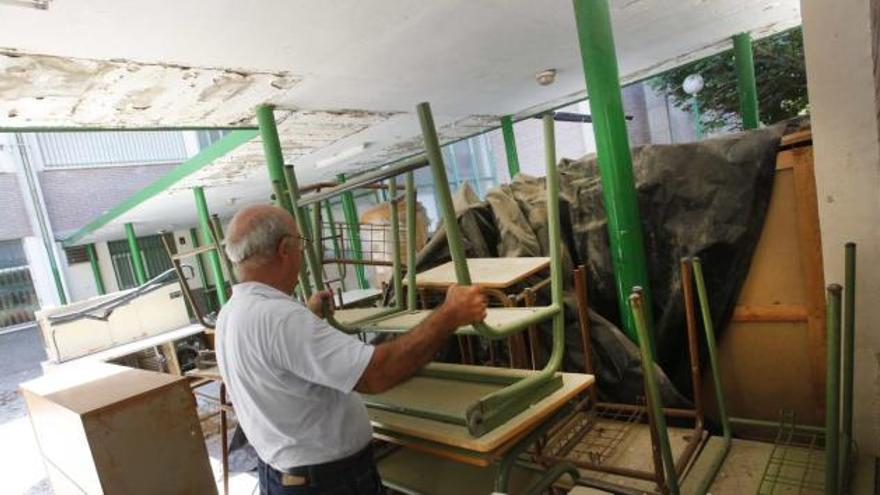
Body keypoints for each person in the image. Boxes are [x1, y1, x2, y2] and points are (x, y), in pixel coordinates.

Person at [216, 204, 487, 494]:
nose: (302, 255)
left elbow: (277, 355)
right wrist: (449, 315)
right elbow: (376, 375)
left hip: (281, 475)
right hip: (326, 484)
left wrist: (307, 316)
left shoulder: (232, 314)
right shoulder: (281, 319)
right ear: (284, 248)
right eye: (301, 244)